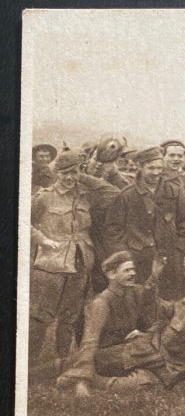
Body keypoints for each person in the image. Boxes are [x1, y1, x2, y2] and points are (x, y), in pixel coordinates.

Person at [29, 150, 120, 368]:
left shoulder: (85, 195)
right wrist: (41, 239)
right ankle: (29, 364)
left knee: (70, 315)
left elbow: (114, 193)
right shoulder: (44, 197)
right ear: (56, 173)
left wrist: (85, 177)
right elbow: (22, 221)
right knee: (41, 315)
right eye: (64, 174)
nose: (69, 178)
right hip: (51, 264)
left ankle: (61, 361)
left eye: (74, 172)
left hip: (80, 262)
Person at [56, 251, 165, 396]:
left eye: (133, 270)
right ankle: (90, 380)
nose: (133, 273)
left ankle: (77, 377)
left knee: (151, 375)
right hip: (103, 357)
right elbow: (89, 342)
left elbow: (148, 297)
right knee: (152, 362)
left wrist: (155, 275)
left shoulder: (133, 292)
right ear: (111, 274)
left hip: (125, 354)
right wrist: (82, 381)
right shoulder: (101, 303)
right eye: (127, 270)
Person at [104, 145, 185, 300]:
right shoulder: (127, 196)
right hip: (139, 262)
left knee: (170, 301)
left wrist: (179, 251)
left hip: (170, 260)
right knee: (141, 301)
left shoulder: (173, 191)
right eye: (151, 168)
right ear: (140, 167)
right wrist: (125, 258)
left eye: (159, 168)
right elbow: (113, 230)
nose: (156, 172)